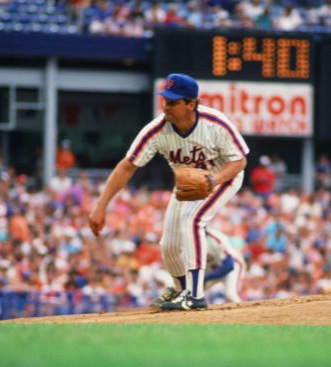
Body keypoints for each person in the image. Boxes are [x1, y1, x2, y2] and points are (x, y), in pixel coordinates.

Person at [88, 73, 248, 311]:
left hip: (223, 176)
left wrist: (215, 179)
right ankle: (180, 287)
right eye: (165, 100)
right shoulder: (156, 130)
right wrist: (101, 205)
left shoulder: (216, 123)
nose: (166, 106)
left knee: (193, 221)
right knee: (169, 244)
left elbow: (240, 160)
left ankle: (194, 296)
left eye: (173, 102)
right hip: (187, 183)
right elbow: (127, 165)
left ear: (191, 104)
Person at [201, 227, 245, 304]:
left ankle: (245, 314)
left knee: (231, 294)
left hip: (234, 266)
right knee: (194, 294)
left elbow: (229, 266)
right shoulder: (190, 241)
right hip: (214, 271)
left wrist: (207, 277)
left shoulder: (214, 238)